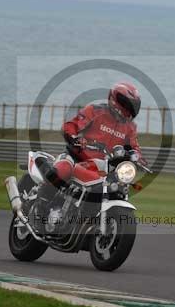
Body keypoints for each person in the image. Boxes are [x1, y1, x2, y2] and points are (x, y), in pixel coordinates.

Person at [33, 82, 144, 221]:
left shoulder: (130, 127)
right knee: (62, 170)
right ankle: (40, 208)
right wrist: (73, 138)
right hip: (76, 156)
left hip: (102, 167)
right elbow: (71, 125)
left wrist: (137, 158)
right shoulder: (95, 110)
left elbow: (135, 147)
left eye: (132, 106)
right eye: (127, 104)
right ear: (116, 99)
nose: (128, 109)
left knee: (118, 188)